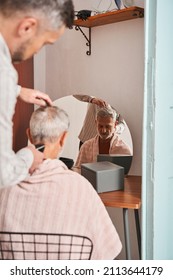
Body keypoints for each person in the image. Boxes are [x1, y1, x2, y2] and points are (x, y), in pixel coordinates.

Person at [0, 106, 122, 260]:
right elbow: (107, 254)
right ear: (64, 138)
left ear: (29, 135)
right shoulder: (83, 189)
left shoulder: (4, 188)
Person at [0, 0, 74, 187]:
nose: (37, 51)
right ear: (27, 27)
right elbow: (3, 173)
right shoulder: (4, 73)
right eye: (44, 43)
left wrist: (17, 91)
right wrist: (28, 155)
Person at [74, 106, 132, 172]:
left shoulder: (124, 150)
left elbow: (127, 176)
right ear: (96, 123)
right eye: (100, 126)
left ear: (115, 124)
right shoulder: (86, 146)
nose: (103, 130)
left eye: (108, 126)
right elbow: (78, 171)